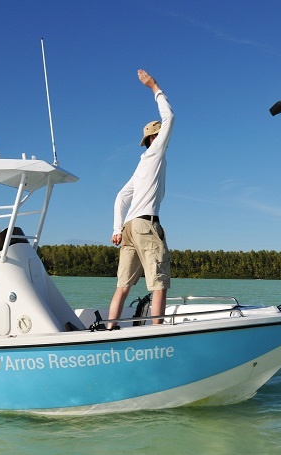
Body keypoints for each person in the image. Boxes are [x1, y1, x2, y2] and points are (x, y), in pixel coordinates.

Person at [108, 69, 174, 329]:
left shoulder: (140, 165)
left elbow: (120, 197)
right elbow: (169, 117)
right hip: (146, 226)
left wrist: (116, 229)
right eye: (160, 134)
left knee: (122, 286)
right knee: (159, 284)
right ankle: (157, 332)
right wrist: (154, 86)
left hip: (130, 228)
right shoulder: (156, 153)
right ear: (154, 139)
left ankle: (109, 331)